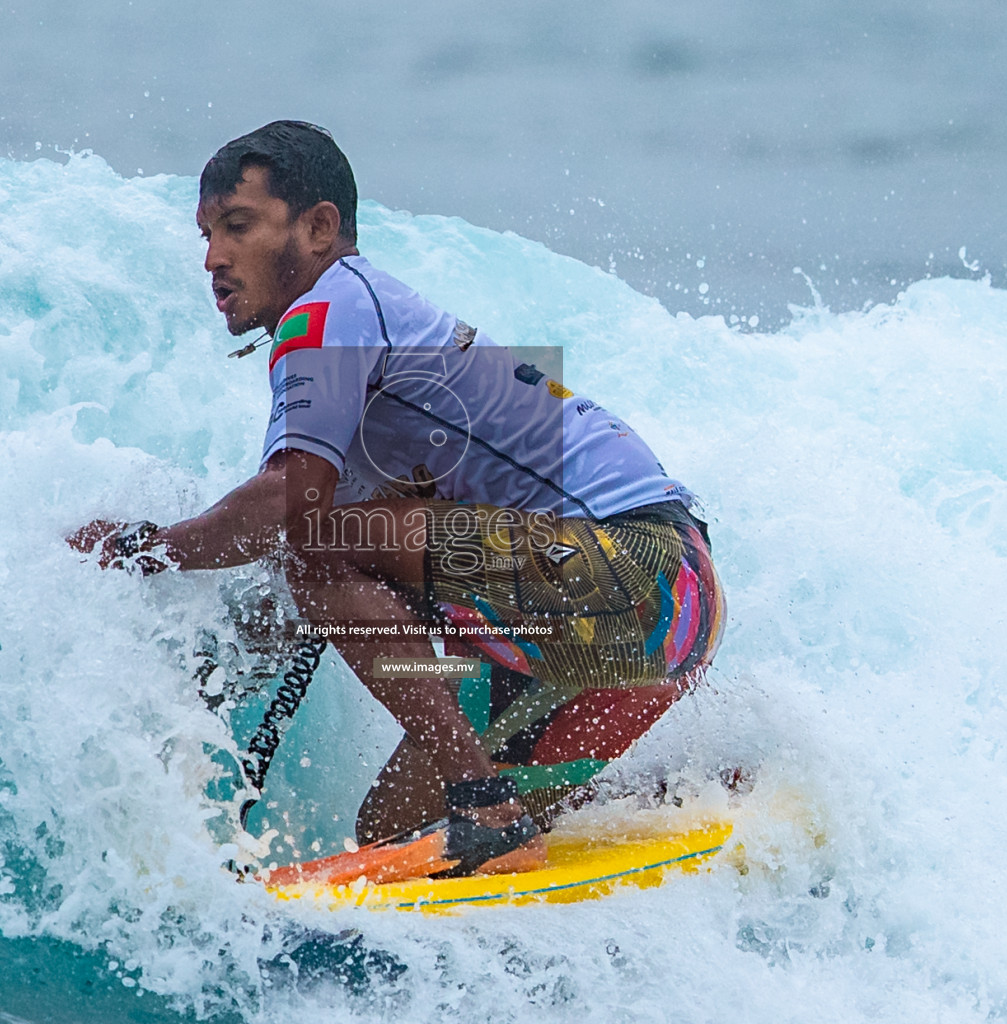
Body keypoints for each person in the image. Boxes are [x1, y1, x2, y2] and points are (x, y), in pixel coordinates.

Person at [69, 120, 724, 883]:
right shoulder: (371, 341)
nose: (213, 258)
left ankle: (489, 806)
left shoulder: (332, 309)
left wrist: (146, 549)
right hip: (666, 617)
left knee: (315, 543)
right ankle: (661, 803)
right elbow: (307, 584)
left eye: (238, 227)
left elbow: (291, 511)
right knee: (396, 832)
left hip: (639, 573)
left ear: (318, 228)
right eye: (207, 234)